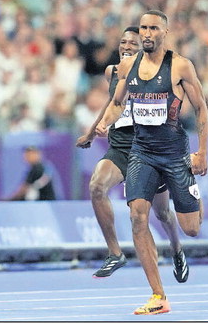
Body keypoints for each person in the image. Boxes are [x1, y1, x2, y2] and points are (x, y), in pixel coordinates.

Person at [96, 10, 208, 315]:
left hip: (174, 154)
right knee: (137, 216)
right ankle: (158, 295)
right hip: (142, 152)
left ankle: (191, 207)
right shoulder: (128, 65)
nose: (146, 33)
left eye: (153, 28)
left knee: (192, 229)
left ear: (165, 32)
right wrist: (105, 123)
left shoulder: (180, 66)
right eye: (143, 28)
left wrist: (202, 153)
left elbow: (201, 110)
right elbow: (118, 102)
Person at [76, 26, 186, 280]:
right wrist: (93, 132)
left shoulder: (157, 74)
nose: (126, 47)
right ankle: (115, 253)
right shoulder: (111, 72)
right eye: (123, 42)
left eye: (132, 44)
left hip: (148, 148)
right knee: (96, 187)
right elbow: (111, 102)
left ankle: (177, 250)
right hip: (121, 147)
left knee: (162, 213)